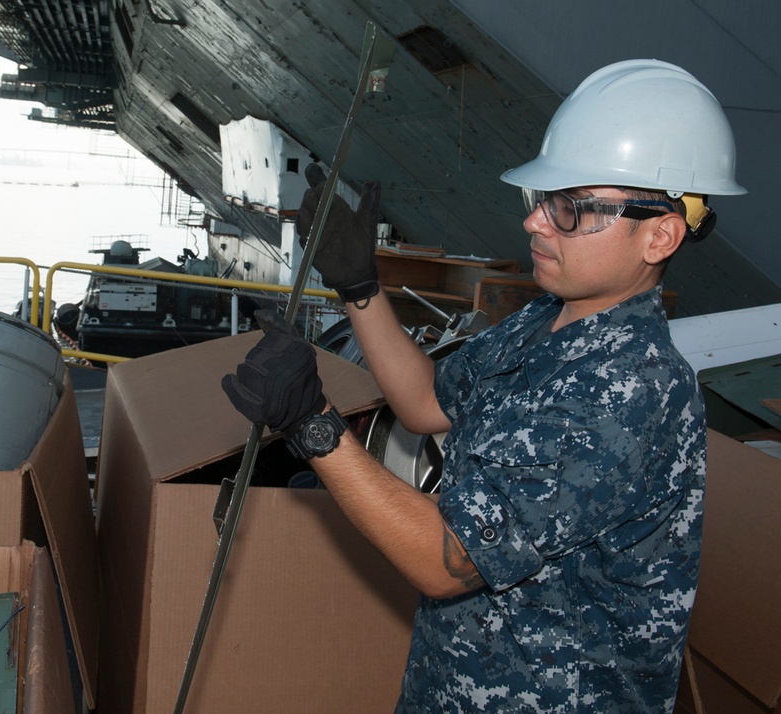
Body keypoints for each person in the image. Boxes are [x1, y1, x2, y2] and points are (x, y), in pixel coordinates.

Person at [221, 59, 744, 712]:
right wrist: (360, 290)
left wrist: (314, 426)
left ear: (660, 235)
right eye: (541, 200)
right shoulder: (544, 322)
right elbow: (425, 403)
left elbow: (448, 560)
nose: (535, 224)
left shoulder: (632, 391)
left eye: (572, 209)